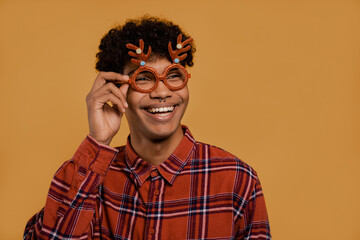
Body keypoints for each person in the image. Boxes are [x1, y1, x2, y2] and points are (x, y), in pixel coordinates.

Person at [24, 16, 271, 239]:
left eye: (174, 75)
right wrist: (97, 142)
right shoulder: (90, 181)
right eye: (143, 78)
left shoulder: (237, 179)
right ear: (115, 88)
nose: (162, 92)